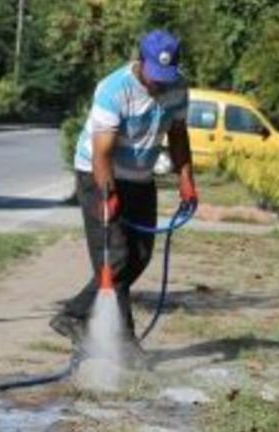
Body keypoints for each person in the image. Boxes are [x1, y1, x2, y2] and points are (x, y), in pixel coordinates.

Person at [50, 30, 198, 363]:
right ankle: (119, 340)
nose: (159, 84)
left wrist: (187, 179)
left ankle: (77, 317)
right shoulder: (114, 88)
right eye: (154, 76)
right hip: (98, 174)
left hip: (141, 177)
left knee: (140, 255)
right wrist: (108, 195)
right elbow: (102, 153)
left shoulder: (177, 87)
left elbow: (177, 134)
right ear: (141, 61)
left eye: (166, 76)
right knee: (114, 257)